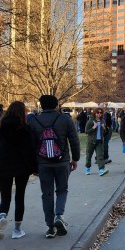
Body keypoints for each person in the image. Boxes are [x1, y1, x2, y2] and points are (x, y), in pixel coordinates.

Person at [29, 94, 80, 238]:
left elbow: (31, 145)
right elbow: (74, 140)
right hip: (62, 161)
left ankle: (50, 226)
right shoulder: (65, 119)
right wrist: (75, 158)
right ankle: (59, 215)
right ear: (56, 105)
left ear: (41, 105)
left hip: (43, 163)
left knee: (47, 194)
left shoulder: (34, 121)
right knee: (62, 190)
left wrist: (34, 166)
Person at [0, 101, 37, 239]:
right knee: (20, 196)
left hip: (1, 165)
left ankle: (2, 216)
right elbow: (30, 150)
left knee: (5, 196)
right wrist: (34, 167)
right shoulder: (25, 129)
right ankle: (17, 229)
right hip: (21, 166)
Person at [84, 108, 109, 176]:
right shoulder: (90, 121)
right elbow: (86, 131)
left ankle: (101, 170)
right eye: (98, 112)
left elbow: (104, 132)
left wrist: (104, 128)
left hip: (99, 141)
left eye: (101, 113)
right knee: (89, 156)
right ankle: (88, 168)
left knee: (100, 156)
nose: (99, 114)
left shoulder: (103, 121)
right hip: (91, 141)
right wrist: (93, 127)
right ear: (95, 113)